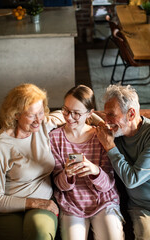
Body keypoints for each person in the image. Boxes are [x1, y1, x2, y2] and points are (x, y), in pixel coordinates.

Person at [0, 83, 66, 240]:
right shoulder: (1, 145)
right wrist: (34, 203)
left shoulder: (44, 125)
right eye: (31, 115)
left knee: (39, 234)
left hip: (44, 202)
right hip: (9, 207)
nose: (38, 120)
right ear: (16, 114)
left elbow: (75, 112)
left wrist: (100, 123)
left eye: (40, 112)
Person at [49, 85, 125, 240]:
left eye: (76, 113)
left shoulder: (100, 136)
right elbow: (59, 184)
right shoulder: (54, 138)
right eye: (66, 110)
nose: (69, 117)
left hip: (104, 201)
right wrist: (67, 175)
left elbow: (107, 185)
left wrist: (95, 171)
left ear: (90, 113)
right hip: (71, 204)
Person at [96, 84, 150, 240]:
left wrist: (110, 147)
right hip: (141, 208)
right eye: (105, 115)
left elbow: (132, 180)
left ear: (131, 114)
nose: (107, 121)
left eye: (111, 115)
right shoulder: (116, 134)